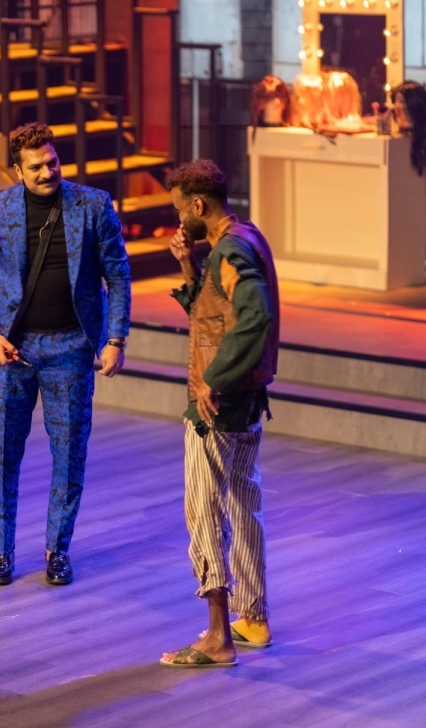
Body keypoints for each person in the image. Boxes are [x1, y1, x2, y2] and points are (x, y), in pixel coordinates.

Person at [0, 122, 131, 586]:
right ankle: (1, 552)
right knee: (1, 455)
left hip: (71, 349)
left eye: (52, 162)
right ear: (17, 170)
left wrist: (115, 339)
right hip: (11, 352)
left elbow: (118, 276)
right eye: (35, 167)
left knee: (70, 454)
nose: (46, 172)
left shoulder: (93, 205)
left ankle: (58, 550)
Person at [158, 160, 280, 668]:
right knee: (242, 505)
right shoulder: (243, 238)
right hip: (245, 401)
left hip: (218, 404)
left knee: (204, 512)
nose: (178, 219)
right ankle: (252, 617)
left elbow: (255, 317)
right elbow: (214, 317)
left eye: (179, 209)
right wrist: (189, 268)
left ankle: (217, 637)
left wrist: (215, 377)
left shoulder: (230, 250)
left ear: (198, 205)